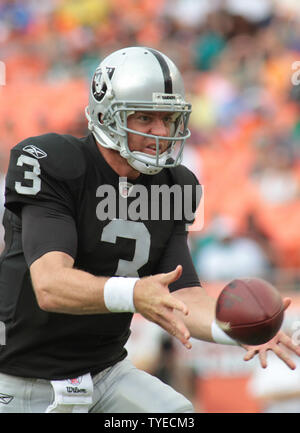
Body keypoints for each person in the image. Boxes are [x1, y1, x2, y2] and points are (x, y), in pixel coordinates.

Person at [0, 46, 299, 414]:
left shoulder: (177, 184)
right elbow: (50, 285)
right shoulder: (56, 162)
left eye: (168, 118)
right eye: (143, 118)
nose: (160, 132)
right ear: (105, 115)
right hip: (18, 378)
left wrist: (238, 330)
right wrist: (135, 292)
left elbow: (185, 295)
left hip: (105, 373)